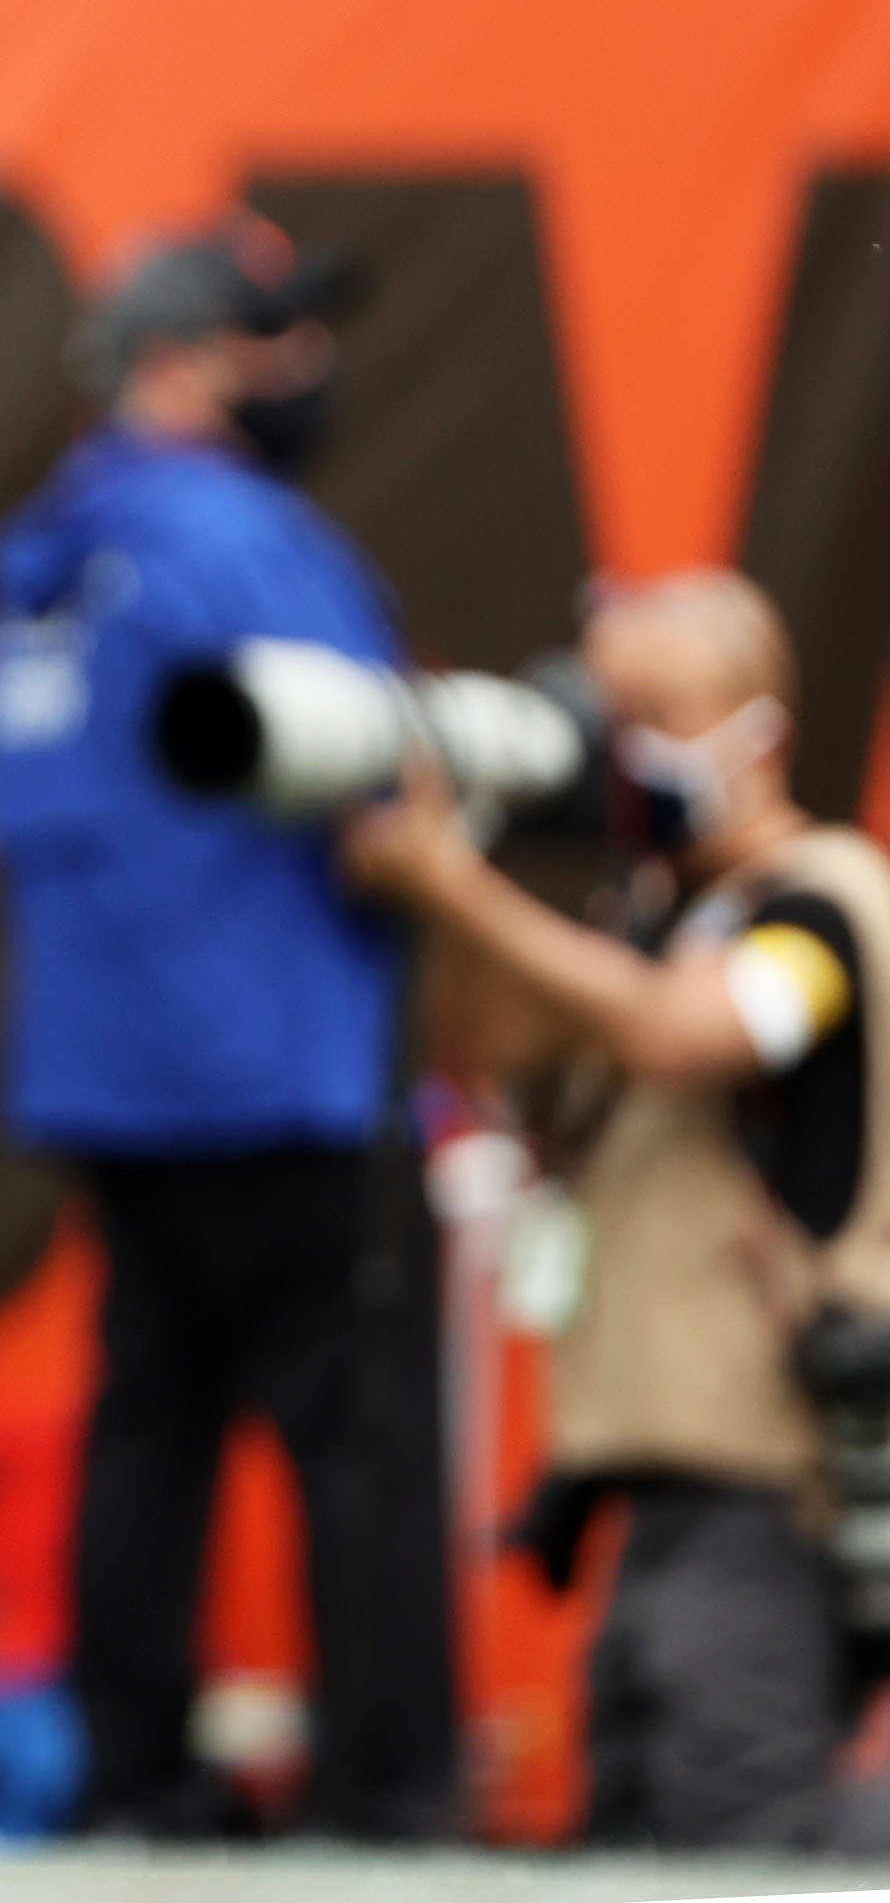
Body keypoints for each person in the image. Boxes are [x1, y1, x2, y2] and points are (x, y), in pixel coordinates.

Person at [0, 221, 460, 1837]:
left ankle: (132, 1777)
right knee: (352, 1432)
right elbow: (385, 791)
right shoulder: (240, 539)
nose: (304, 370)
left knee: (148, 1421)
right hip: (269, 1052)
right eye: (272, 340)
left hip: (104, 1065)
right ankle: (384, 1792)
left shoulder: (42, 558)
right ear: (176, 366)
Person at [342, 571, 877, 1846]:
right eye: (604, 714)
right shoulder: (639, 917)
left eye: (655, 711)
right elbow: (487, 1055)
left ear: (760, 722)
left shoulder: (824, 901)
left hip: (769, 1481)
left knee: (739, 1838)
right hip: (639, 1488)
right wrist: (451, 846)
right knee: (628, 1840)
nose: (621, 750)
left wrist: (453, 891)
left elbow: (678, 1034)